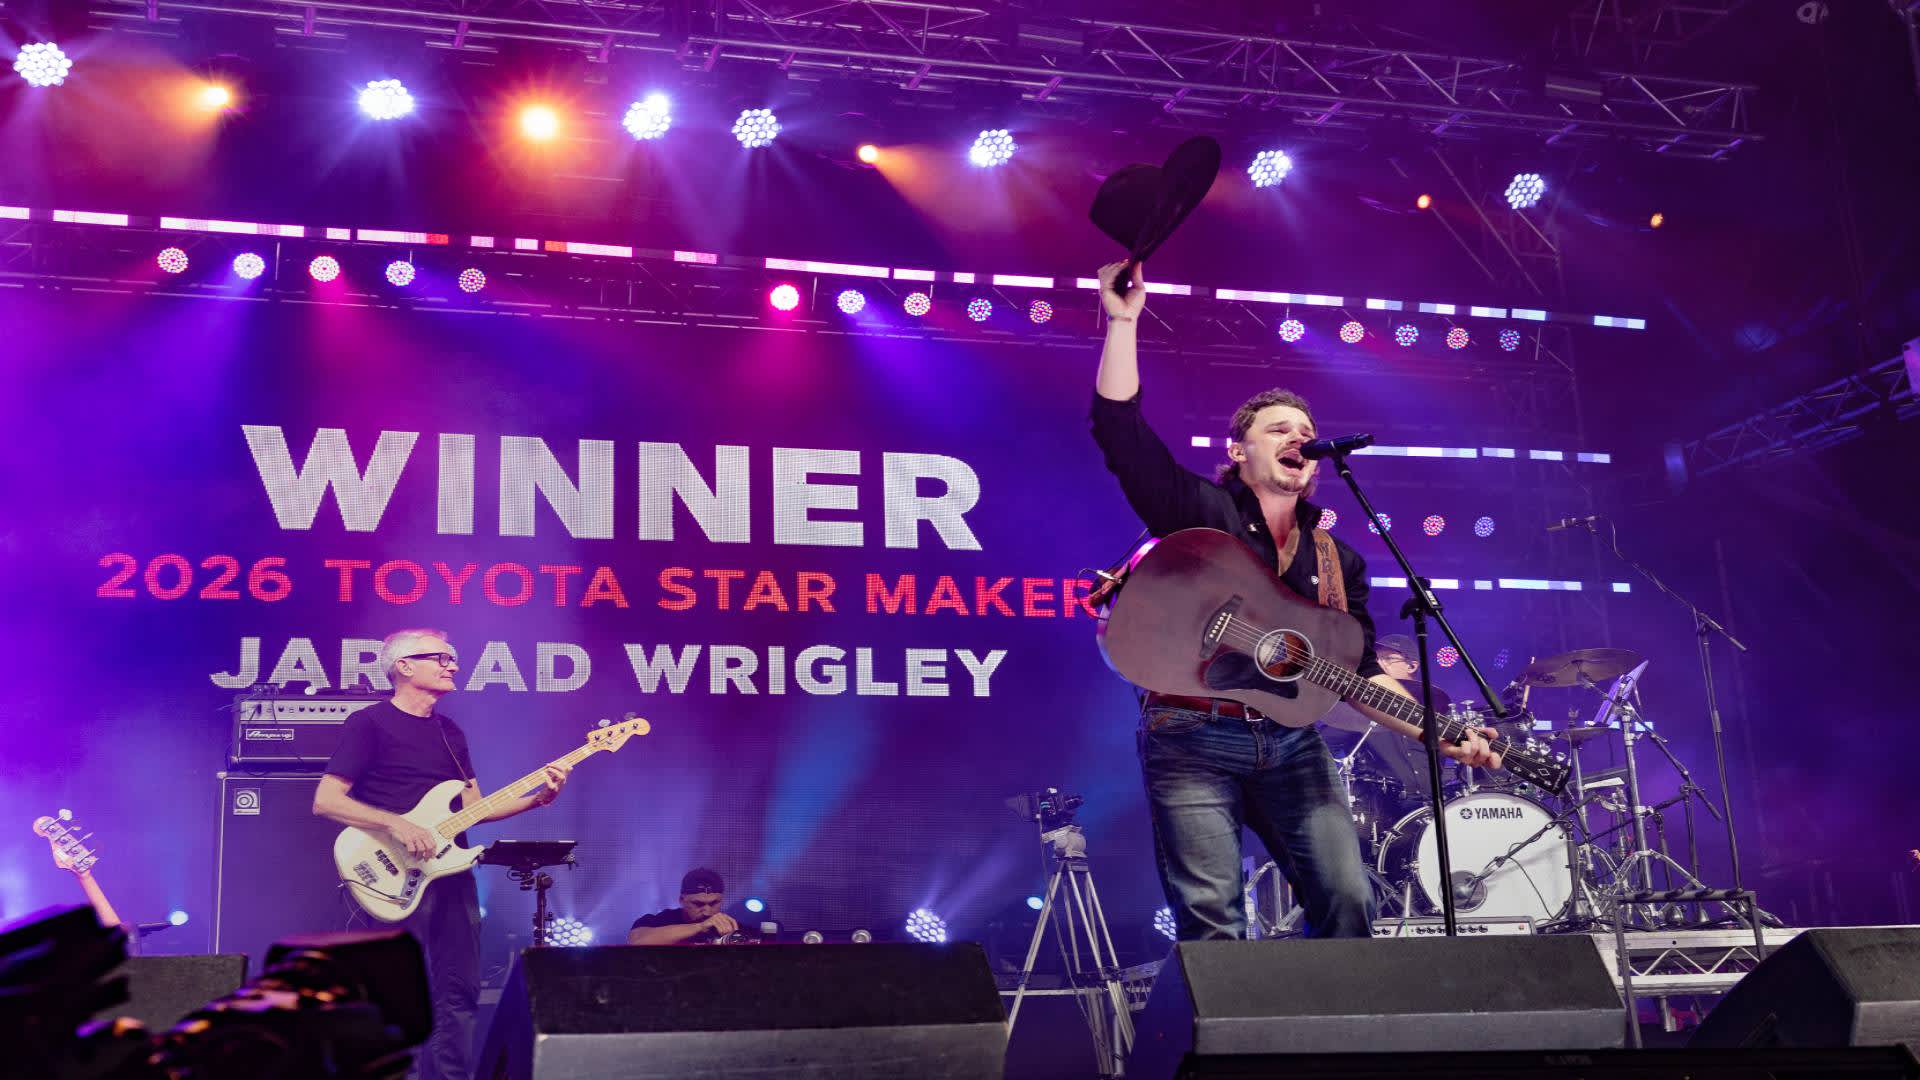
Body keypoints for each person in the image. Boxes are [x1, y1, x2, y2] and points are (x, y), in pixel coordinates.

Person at [1088, 261, 1501, 941]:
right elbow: (1121, 436)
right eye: (1277, 429)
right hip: (1190, 735)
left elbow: (1360, 677)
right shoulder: (1200, 509)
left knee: (1347, 900)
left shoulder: (1341, 564)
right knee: (1215, 920)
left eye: (1303, 431)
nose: (1296, 439)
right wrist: (1123, 321)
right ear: (1238, 450)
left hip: (1290, 745)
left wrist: (1444, 736)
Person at [313, 628, 570, 1080]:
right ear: (404, 667)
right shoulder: (369, 723)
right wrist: (396, 822)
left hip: (450, 873)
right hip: (390, 871)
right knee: (395, 991)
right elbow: (327, 801)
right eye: (442, 658)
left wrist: (539, 798)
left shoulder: (450, 732)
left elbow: (476, 810)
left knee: (460, 989)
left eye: (453, 659)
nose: (452, 665)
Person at [627, 869, 743, 945]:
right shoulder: (660, 921)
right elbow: (636, 941)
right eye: (698, 904)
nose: (707, 912)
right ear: (682, 900)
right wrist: (700, 926)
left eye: (714, 903)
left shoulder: (733, 927)